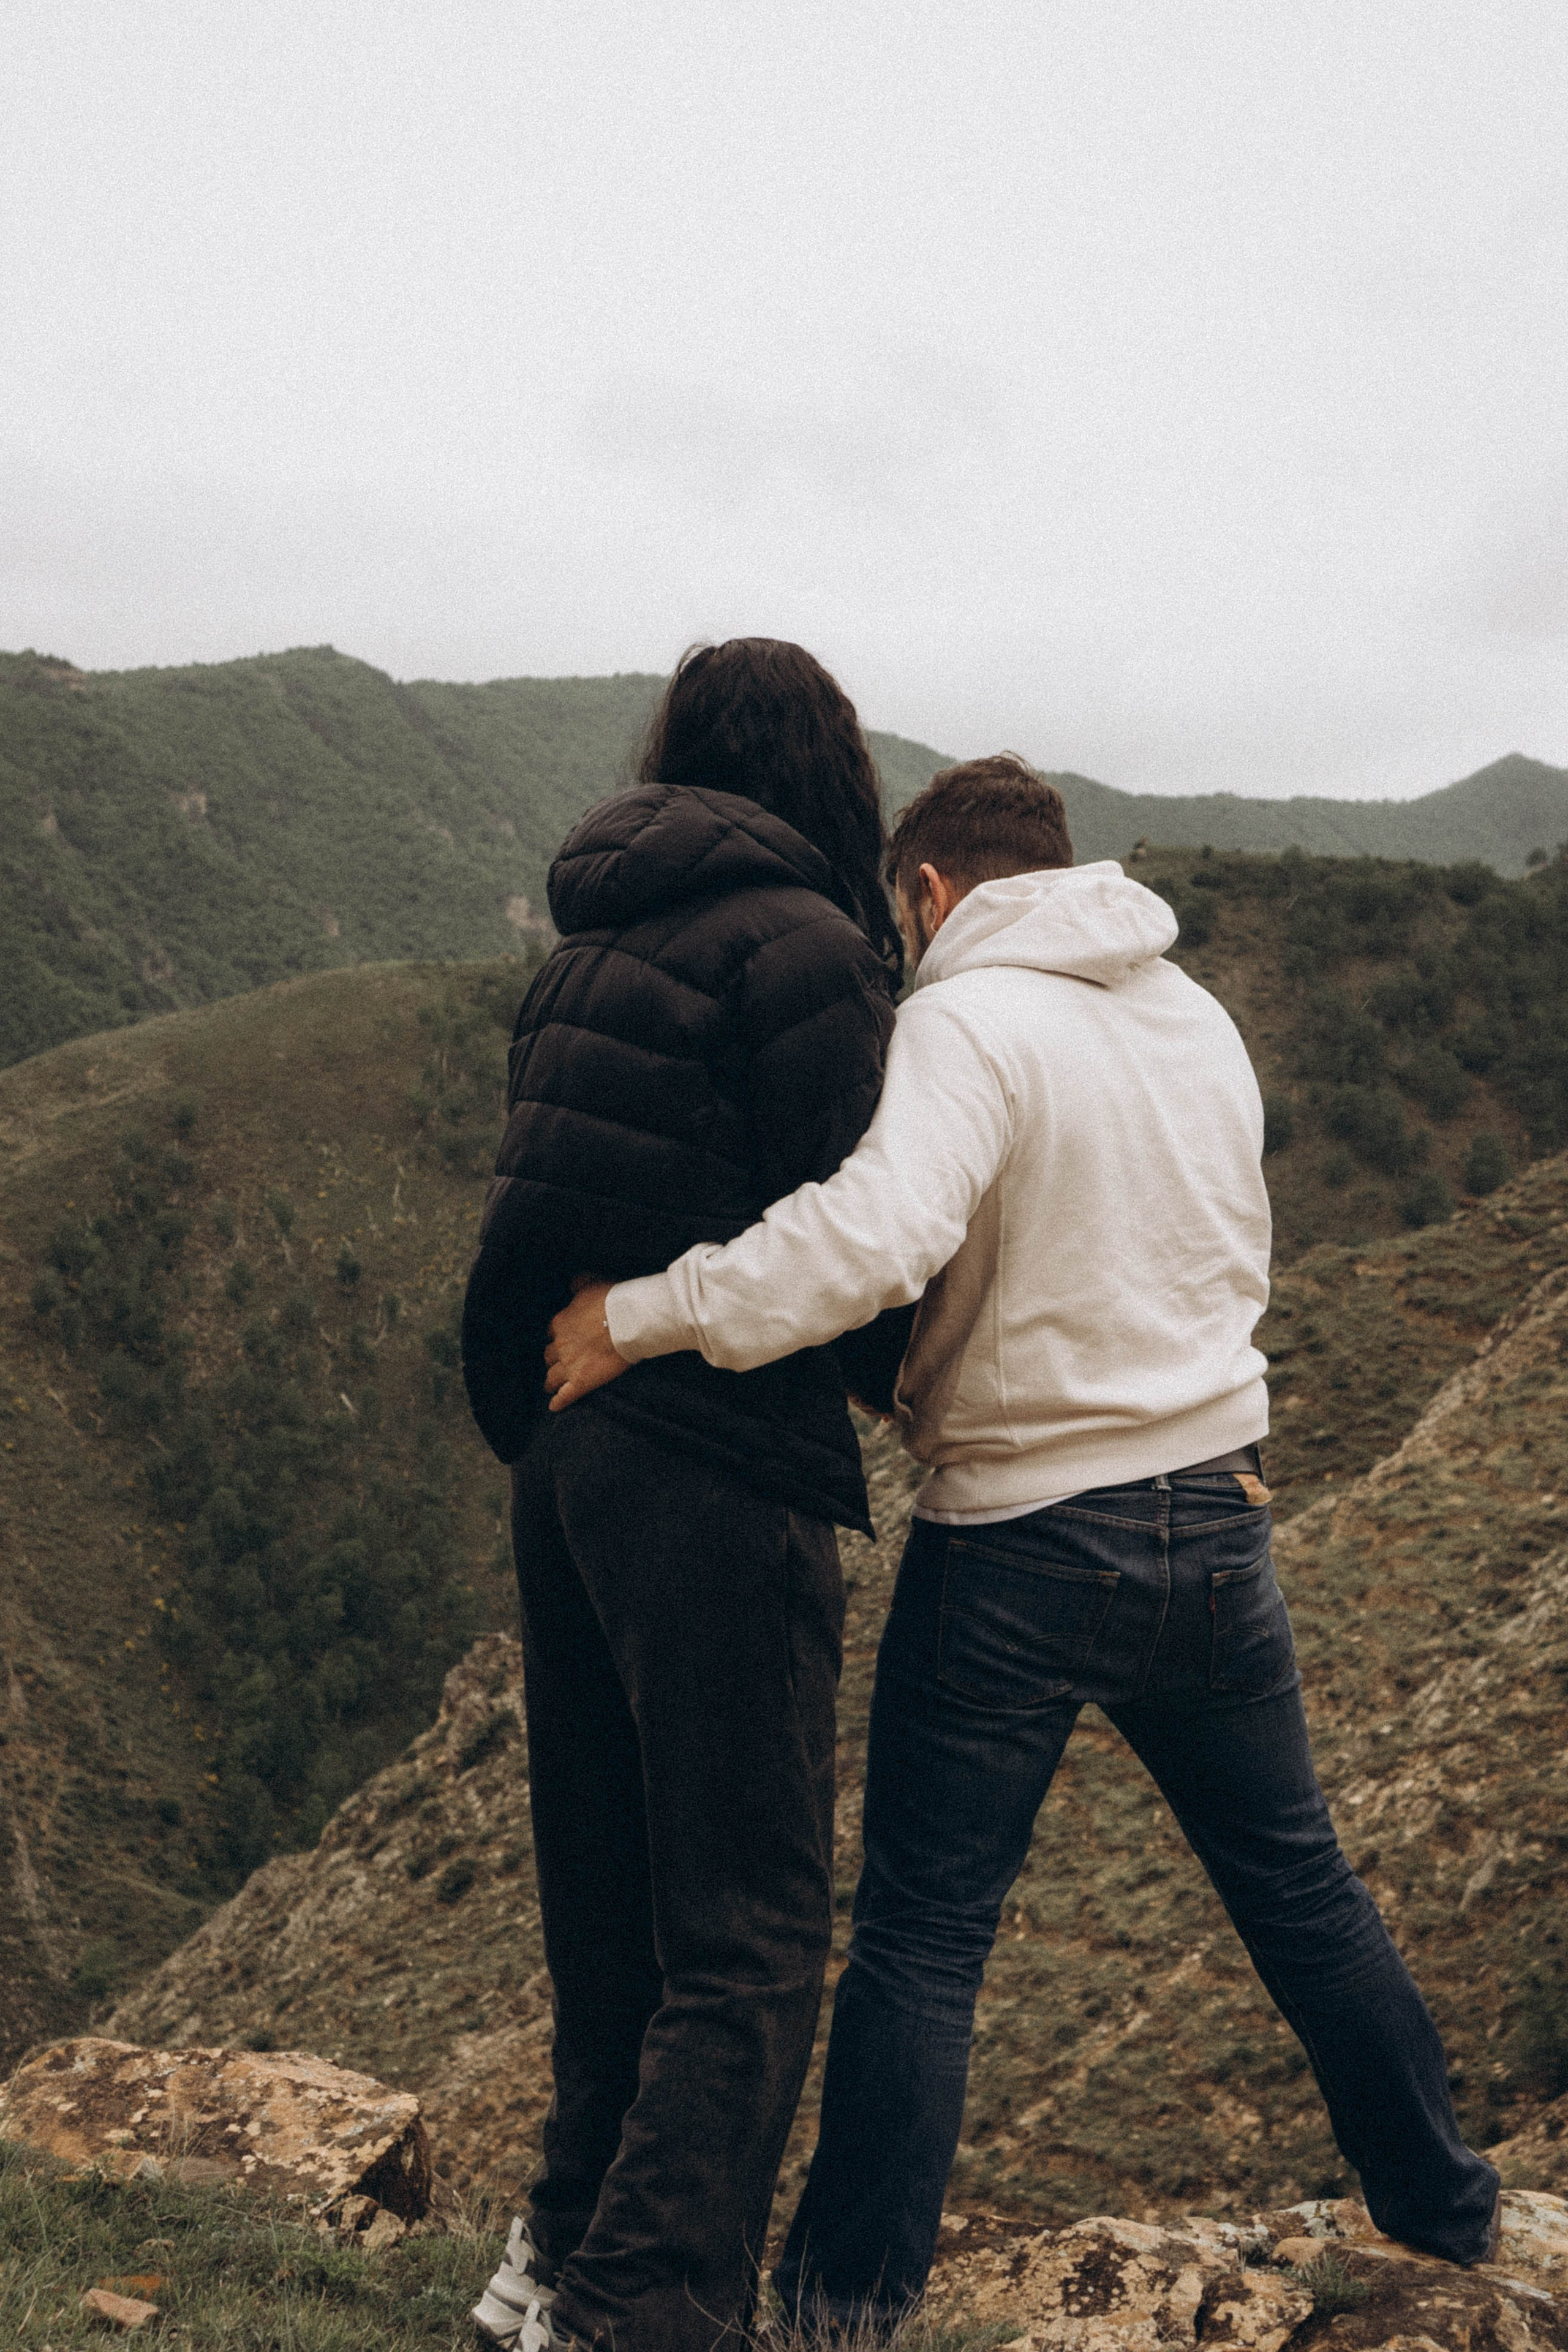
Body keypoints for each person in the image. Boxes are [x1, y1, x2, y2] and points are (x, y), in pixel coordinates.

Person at [544, 753, 1501, 2331]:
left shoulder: (965, 1020)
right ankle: (1446, 2205)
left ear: (928, 895)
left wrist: (645, 1317)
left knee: (923, 1940)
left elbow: (871, 1238)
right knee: (1301, 1887)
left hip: (1019, 1538)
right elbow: (1230, 1253)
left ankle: (843, 2312)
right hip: (1218, 1512)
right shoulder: (1195, 1016)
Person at [460, 639, 916, 2352]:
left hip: (567, 1458)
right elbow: (857, 1242)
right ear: (830, 772)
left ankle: (549, 2266)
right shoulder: (804, 950)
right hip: (716, 1473)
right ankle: (642, 2314)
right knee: (749, 1939)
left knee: (614, 1919)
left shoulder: (592, 942)